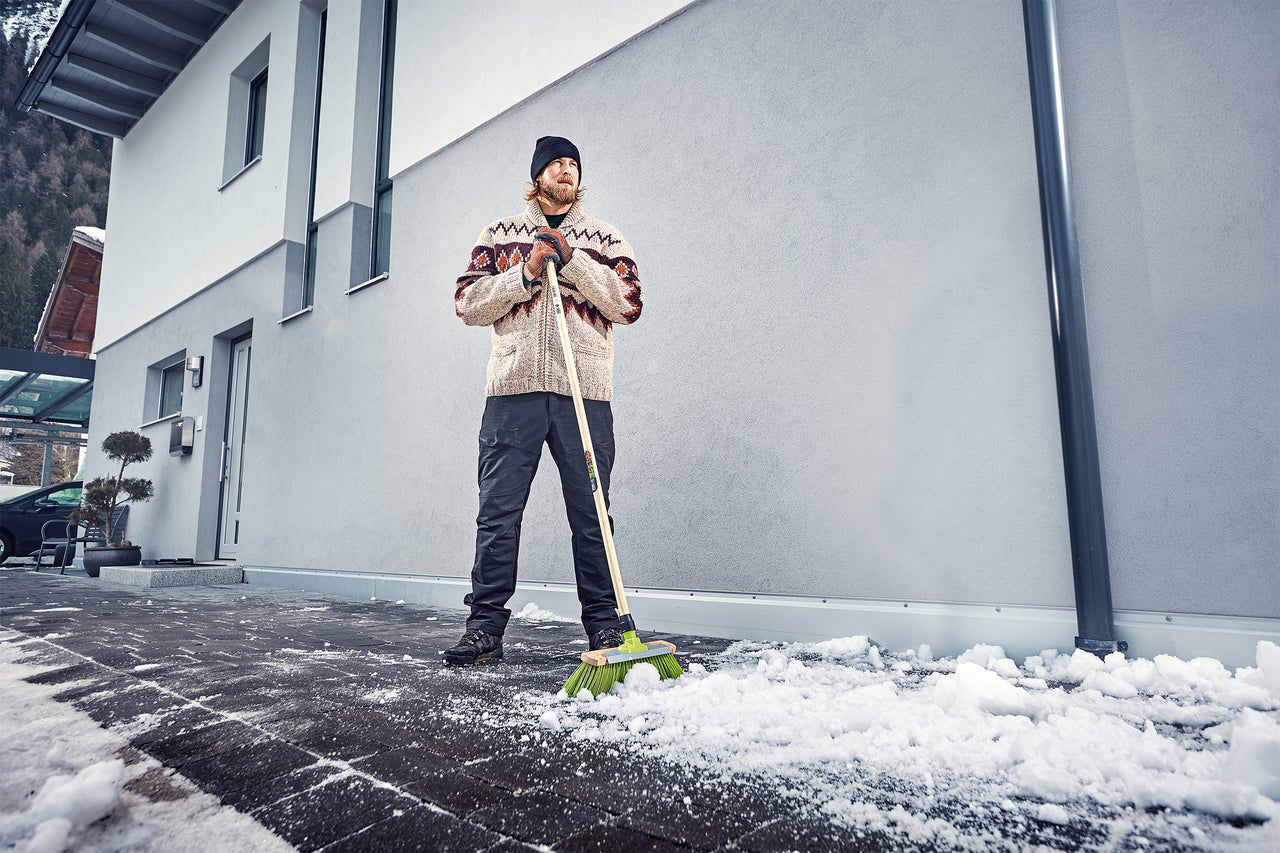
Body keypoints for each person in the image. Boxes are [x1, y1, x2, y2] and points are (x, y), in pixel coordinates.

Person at [446, 136, 643, 666]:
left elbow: (627, 304)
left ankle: (605, 627)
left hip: (585, 394)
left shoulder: (606, 237)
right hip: (513, 395)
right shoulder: (499, 234)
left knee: (592, 513)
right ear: (537, 175)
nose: (567, 171)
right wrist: (526, 271)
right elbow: (467, 304)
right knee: (498, 514)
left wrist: (574, 262)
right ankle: (484, 627)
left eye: (574, 164)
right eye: (557, 164)